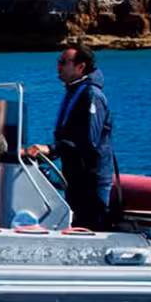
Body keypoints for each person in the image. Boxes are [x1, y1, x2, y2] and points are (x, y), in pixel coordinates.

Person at [23, 43, 114, 230]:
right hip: (75, 180)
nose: (58, 66)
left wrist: (51, 149)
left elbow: (88, 142)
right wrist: (44, 154)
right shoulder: (75, 92)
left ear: (80, 67)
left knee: (90, 229)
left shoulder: (91, 95)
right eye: (58, 62)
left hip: (91, 183)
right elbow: (71, 138)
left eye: (64, 62)